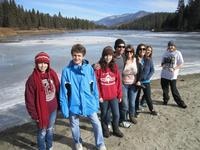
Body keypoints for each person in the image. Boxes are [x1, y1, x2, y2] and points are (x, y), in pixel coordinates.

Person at [59, 44, 106, 150]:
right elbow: (63, 91)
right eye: (75, 55)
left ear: (83, 56)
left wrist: (96, 101)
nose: (77, 58)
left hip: (89, 102)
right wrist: (64, 108)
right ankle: (77, 142)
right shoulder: (66, 71)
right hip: (73, 103)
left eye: (79, 55)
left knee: (96, 124)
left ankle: (100, 144)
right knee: (74, 125)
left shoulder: (89, 69)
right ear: (72, 55)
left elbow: (94, 86)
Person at [25, 52, 60, 150]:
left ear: (48, 64)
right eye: (40, 63)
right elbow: (29, 100)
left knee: (50, 129)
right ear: (36, 64)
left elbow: (58, 88)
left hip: (53, 108)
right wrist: (34, 115)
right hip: (41, 112)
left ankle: (49, 146)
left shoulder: (52, 73)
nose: (43, 65)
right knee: (42, 132)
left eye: (45, 63)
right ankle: (42, 148)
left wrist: (60, 105)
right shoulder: (32, 80)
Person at [95, 46, 124, 138]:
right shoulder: (98, 67)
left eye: (110, 55)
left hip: (114, 96)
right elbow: (96, 84)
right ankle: (105, 129)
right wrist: (99, 96)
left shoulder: (114, 66)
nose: (108, 57)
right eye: (106, 55)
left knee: (116, 114)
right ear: (103, 56)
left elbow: (118, 82)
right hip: (103, 98)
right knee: (104, 115)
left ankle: (116, 129)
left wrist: (119, 95)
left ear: (112, 56)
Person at [160, 41, 187, 108]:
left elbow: (181, 64)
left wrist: (174, 69)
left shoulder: (177, 53)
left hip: (172, 76)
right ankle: (165, 100)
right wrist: (163, 65)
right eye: (169, 45)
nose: (170, 47)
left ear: (174, 46)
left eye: (172, 45)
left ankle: (180, 103)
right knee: (165, 90)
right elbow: (162, 63)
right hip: (164, 74)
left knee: (174, 90)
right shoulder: (165, 52)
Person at [136, 45, 158, 116]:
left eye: (144, 49)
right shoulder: (136, 59)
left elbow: (152, 70)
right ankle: (136, 109)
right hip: (138, 82)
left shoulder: (149, 60)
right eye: (141, 49)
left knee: (148, 96)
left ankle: (152, 109)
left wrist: (147, 77)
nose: (143, 51)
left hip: (146, 82)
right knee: (137, 97)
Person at [120, 44, 139, 126]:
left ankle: (131, 116)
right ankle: (124, 118)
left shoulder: (136, 60)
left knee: (132, 103)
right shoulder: (122, 60)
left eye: (131, 51)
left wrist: (139, 81)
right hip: (124, 84)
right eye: (127, 51)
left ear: (133, 52)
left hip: (133, 85)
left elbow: (140, 70)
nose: (129, 53)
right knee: (125, 103)